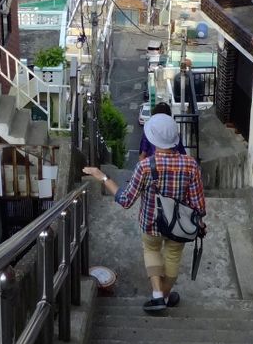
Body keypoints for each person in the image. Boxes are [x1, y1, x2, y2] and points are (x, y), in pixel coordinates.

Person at [83, 113, 206, 315]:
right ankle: (165, 297)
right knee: (173, 256)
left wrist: (102, 176)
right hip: (180, 226)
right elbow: (199, 206)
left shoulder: (145, 167)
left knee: (152, 251)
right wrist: (199, 222)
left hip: (151, 223)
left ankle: (158, 296)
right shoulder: (191, 165)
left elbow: (126, 200)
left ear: (153, 139)